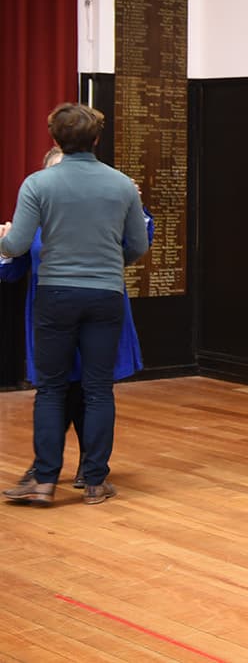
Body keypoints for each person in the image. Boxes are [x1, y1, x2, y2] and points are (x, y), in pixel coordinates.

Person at [2, 103, 150, 506]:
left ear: (55, 140)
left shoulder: (38, 184)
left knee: (50, 389)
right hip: (106, 295)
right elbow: (137, 245)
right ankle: (96, 482)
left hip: (56, 295)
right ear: (97, 139)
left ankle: (45, 482)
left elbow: (16, 245)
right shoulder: (121, 184)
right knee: (99, 389)